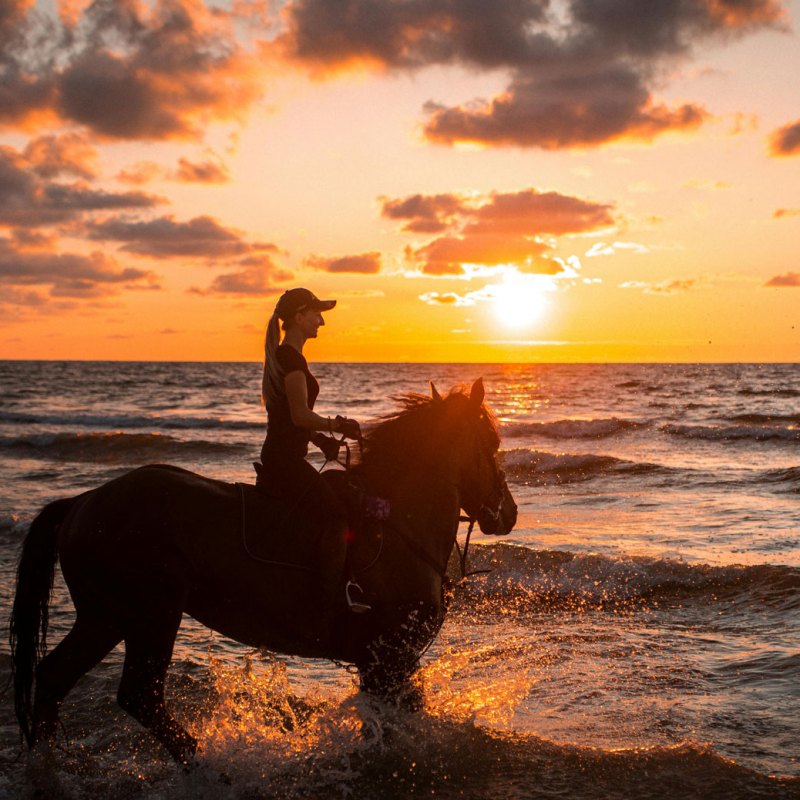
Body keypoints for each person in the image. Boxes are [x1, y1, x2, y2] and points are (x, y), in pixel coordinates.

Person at [255, 287, 369, 612]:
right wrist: (338, 425)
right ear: (300, 316)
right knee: (337, 515)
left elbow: (288, 421)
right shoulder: (290, 359)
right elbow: (299, 415)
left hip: (283, 457)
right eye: (317, 314)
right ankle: (332, 596)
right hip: (284, 463)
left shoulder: (288, 357)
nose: (321, 321)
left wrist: (321, 442)